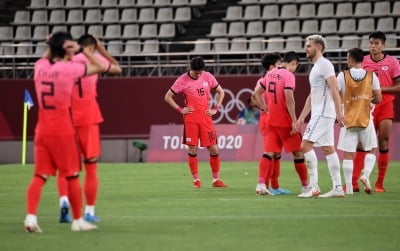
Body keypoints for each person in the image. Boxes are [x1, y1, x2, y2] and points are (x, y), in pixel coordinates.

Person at [24, 31, 106, 233]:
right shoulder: (69, 69)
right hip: (62, 129)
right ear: (66, 50)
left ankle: (31, 218)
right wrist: (82, 50)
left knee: (40, 176)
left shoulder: (40, 67)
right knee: (72, 176)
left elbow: (46, 57)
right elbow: (99, 66)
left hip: (42, 129)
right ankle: (78, 221)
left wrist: (52, 44)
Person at [56, 34, 122, 223]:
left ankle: (64, 203)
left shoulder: (67, 61)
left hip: (66, 117)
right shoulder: (96, 59)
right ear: (92, 46)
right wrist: (101, 49)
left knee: (66, 167)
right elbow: (117, 68)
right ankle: (89, 211)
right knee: (91, 167)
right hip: (88, 117)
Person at [164, 56, 228, 188]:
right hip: (191, 119)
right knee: (193, 149)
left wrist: (216, 108)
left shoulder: (208, 76)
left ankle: (216, 180)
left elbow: (221, 92)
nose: (198, 75)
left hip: (206, 119)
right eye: (196, 73)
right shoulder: (182, 80)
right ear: (190, 69)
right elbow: (167, 96)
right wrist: (180, 109)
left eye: (200, 72)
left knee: (214, 149)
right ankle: (196, 180)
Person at [295, 34, 345, 198]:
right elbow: (311, 96)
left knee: (304, 146)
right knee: (328, 149)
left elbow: (335, 88)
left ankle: (314, 187)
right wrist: (302, 117)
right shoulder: (316, 67)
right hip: (320, 113)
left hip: (323, 113)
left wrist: (339, 111)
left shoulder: (325, 65)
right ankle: (338, 187)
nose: (306, 48)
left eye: (308, 46)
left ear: (318, 47)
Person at [253, 52, 308, 195]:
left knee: (268, 153)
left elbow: (257, 93)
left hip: (271, 120)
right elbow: (289, 98)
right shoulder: (289, 75)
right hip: (285, 122)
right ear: (293, 63)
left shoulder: (270, 73)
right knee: (298, 153)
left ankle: (260, 184)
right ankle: (305, 186)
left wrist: (264, 106)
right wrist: (295, 120)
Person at [352, 31, 400, 193]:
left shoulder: (392, 62)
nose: (373, 46)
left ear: (383, 45)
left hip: (385, 105)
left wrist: (380, 89)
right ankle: (353, 183)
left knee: (383, 141)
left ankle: (379, 184)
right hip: (366, 107)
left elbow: (399, 86)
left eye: (377, 43)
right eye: (371, 43)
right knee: (361, 143)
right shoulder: (363, 62)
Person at [337, 48, 382, 195]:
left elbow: (336, 96)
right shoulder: (371, 76)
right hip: (366, 118)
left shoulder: (342, 76)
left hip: (348, 119)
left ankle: (349, 187)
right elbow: (379, 98)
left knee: (348, 154)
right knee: (371, 149)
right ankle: (365, 175)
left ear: (350, 59)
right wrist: (366, 100)